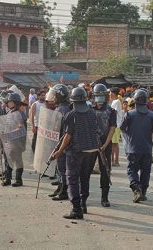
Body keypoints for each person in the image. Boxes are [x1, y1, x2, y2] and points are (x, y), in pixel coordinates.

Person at [50, 87, 100, 220]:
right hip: (91, 151)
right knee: (84, 178)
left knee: (72, 179)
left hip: (75, 151)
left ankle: (76, 209)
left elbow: (68, 136)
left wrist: (60, 151)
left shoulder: (71, 115)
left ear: (72, 100)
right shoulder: (92, 113)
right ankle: (83, 204)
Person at [120, 89, 153, 204]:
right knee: (146, 172)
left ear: (135, 101)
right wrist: (151, 130)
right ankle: (143, 192)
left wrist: (130, 132)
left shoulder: (129, 114)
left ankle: (136, 190)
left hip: (132, 149)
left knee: (132, 171)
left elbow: (122, 128)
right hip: (147, 149)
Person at [90, 84, 115, 207]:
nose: (99, 99)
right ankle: (83, 196)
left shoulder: (111, 111)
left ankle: (104, 197)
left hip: (105, 145)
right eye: (97, 96)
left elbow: (112, 128)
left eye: (102, 96)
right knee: (86, 170)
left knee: (105, 170)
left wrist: (105, 144)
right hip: (90, 144)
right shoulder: (89, 109)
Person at [0, 93, 27, 187]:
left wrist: (9, 134)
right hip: (9, 141)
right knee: (9, 161)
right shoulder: (9, 112)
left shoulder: (20, 114)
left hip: (17, 141)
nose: (8, 103)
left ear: (15, 102)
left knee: (18, 161)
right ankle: (8, 179)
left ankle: (19, 180)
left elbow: (20, 128)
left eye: (10, 102)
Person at [109, 88, 124, 167]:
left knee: (114, 144)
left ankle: (115, 161)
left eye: (110, 93)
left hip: (116, 125)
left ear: (113, 94)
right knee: (114, 144)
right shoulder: (115, 102)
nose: (109, 95)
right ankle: (113, 160)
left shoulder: (116, 102)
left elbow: (113, 112)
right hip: (116, 125)